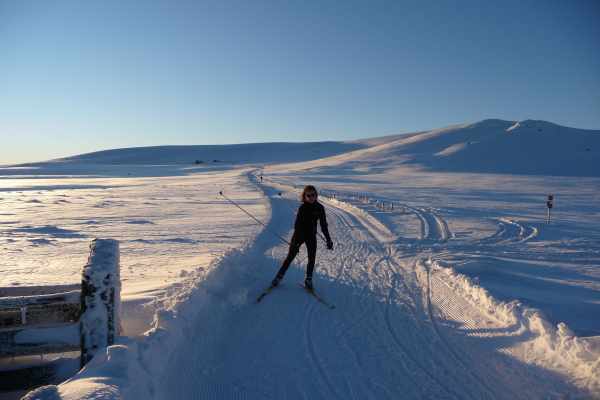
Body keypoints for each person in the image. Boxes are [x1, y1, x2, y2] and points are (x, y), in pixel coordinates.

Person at [271, 185, 333, 291]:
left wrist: (328, 239)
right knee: (290, 257)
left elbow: (323, 225)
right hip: (299, 235)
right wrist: (295, 243)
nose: (311, 197)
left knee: (311, 258)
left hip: (311, 236)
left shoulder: (320, 208)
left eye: (313, 194)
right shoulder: (302, 208)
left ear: (316, 195)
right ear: (304, 196)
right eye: (308, 195)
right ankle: (279, 277)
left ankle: (308, 280)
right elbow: (297, 226)